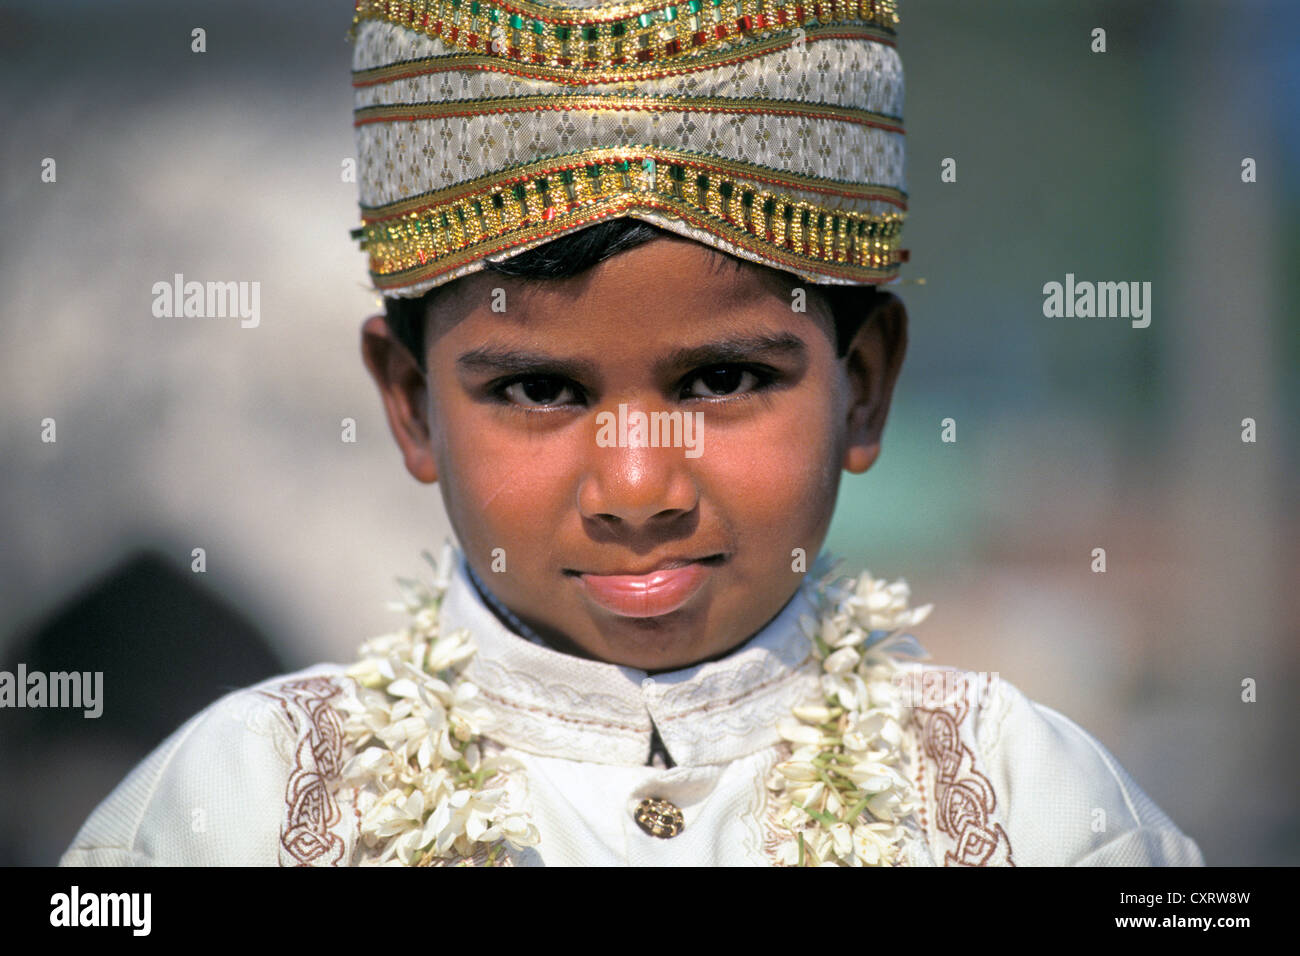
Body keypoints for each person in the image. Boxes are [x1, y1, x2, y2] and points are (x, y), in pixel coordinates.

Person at [60, 0, 1203, 866]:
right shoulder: (241, 803)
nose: (639, 483)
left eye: (722, 377)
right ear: (409, 404)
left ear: (863, 385)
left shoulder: (1020, 800)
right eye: (540, 393)